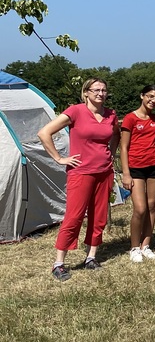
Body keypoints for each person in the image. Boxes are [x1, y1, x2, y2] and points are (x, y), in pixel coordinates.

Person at [38, 77, 120, 280]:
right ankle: (59, 263)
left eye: (103, 90)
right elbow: (44, 133)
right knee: (74, 217)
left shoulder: (110, 114)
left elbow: (115, 135)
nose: (100, 93)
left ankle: (91, 257)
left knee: (99, 216)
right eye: (96, 90)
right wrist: (59, 158)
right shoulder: (75, 111)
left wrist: (111, 153)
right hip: (80, 172)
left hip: (104, 171)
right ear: (86, 93)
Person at [120, 84, 155, 262]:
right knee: (140, 208)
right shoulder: (130, 118)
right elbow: (123, 147)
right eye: (150, 96)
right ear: (142, 96)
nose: (153, 100)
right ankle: (134, 247)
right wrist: (126, 173)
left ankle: (146, 245)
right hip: (135, 168)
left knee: (151, 206)